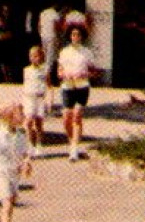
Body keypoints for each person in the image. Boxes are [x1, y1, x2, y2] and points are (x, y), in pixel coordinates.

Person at [56, 23, 98, 161]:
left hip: (82, 86)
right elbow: (59, 71)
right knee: (66, 118)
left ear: (82, 36)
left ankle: (74, 149)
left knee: (77, 116)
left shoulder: (87, 52)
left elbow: (94, 71)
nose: (76, 37)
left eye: (78, 35)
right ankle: (72, 141)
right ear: (69, 36)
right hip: (67, 86)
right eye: (73, 34)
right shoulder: (64, 52)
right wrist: (63, 75)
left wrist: (84, 74)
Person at [20, 43, 51, 161]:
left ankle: (39, 145)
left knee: (38, 123)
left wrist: (50, 100)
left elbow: (49, 86)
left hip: (39, 98)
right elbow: (25, 85)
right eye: (32, 56)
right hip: (29, 98)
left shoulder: (45, 70)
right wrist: (22, 101)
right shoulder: (26, 70)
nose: (34, 58)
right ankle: (30, 145)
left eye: (36, 56)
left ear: (41, 57)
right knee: (28, 122)